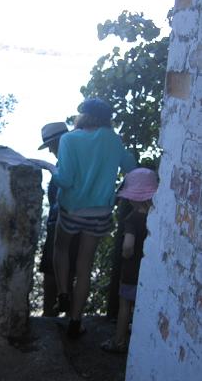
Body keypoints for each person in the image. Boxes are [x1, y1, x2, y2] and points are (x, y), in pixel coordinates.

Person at [50, 97, 137, 338]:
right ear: (107, 119)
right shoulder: (113, 140)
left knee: (61, 248)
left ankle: (63, 294)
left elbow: (65, 180)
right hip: (100, 212)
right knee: (85, 266)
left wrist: (51, 170)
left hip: (72, 210)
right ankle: (76, 322)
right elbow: (132, 168)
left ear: (82, 115)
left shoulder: (68, 139)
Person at [100, 167, 158, 353]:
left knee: (125, 305)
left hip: (131, 271)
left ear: (132, 197)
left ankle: (118, 341)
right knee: (145, 304)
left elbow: (127, 246)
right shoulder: (156, 217)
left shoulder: (132, 219)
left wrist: (126, 255)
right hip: (150, 272)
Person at [37, 122, 79, 316]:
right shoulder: (76, 162)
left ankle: (50, 317)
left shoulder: (66, 165)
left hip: (62, 221)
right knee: (68, 272)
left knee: (53, 272)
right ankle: (70, 317)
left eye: (52, 146)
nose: (51, 151)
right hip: (75, 223)